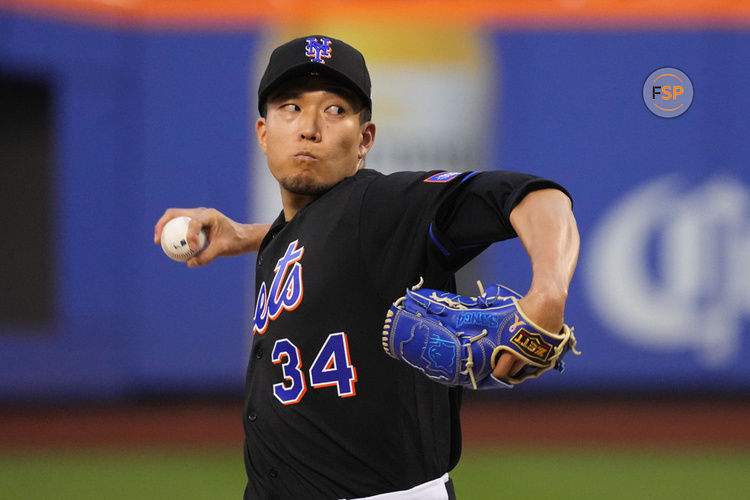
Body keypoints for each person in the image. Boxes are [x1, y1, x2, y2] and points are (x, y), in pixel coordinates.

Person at [154, 35, 579, 500]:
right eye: (290, 107)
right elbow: (323, 242)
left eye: (335, 109)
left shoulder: (381, 205)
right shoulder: (289, 237)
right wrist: (248, 235)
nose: (309, 127)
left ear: (364, 140)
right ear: (263, 132)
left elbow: (536, 197)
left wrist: (548, 294)